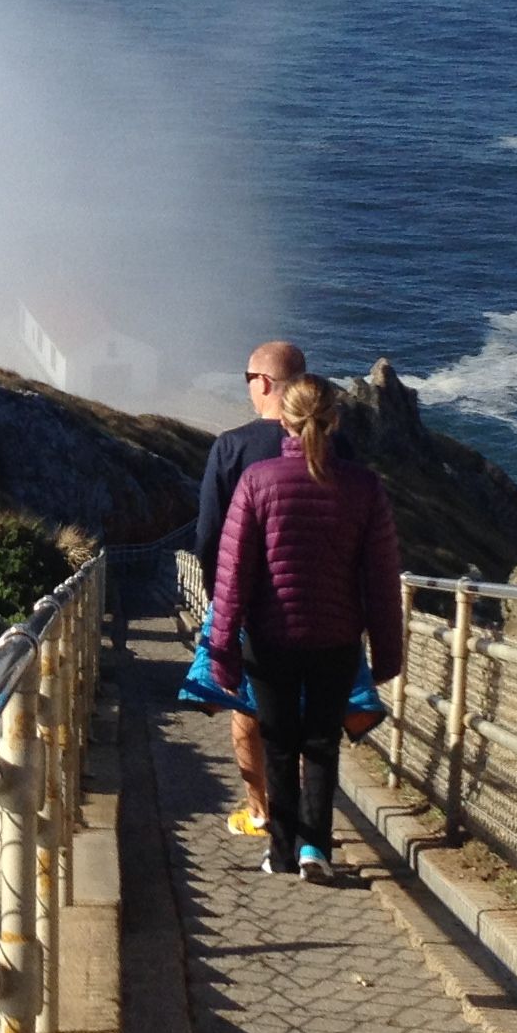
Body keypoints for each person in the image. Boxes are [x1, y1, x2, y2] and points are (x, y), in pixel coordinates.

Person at [205, 374, 404, 882]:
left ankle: (283, 851)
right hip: (336, 638)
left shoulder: (258, 481)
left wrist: (222, 650)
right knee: (321, 743)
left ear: (285, 422)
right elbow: (381, 577)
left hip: (269, 638)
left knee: (279, 742)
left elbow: (233, 576)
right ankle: (316, 849)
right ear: (334, 419)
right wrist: (387, 654)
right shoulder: (365, 486)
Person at [190, 339, 316, 839]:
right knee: (308, 712)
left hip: (246, 604)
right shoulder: (332, 444)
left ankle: (261, 812)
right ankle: (307, 819)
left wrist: (215, 598)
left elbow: (208, 534)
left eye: (248, 380)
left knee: (246, 708)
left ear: (262, 383)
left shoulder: (231, 447)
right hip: (318, 605)